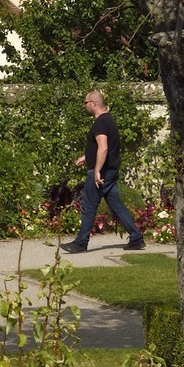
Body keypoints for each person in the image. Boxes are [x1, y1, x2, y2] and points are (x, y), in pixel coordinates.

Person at [63, 90, 144, 253]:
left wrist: (97, 170)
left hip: (102, 172)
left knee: (88, 205)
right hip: (110, 171)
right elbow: (103, 147)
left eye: (85, 103)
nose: (84, 106)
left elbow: (104, 147)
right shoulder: (109, 120)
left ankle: (80, 243)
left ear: (93, 103)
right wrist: (86, 157)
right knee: (116, 205)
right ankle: (136, 237)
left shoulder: (100, 122)